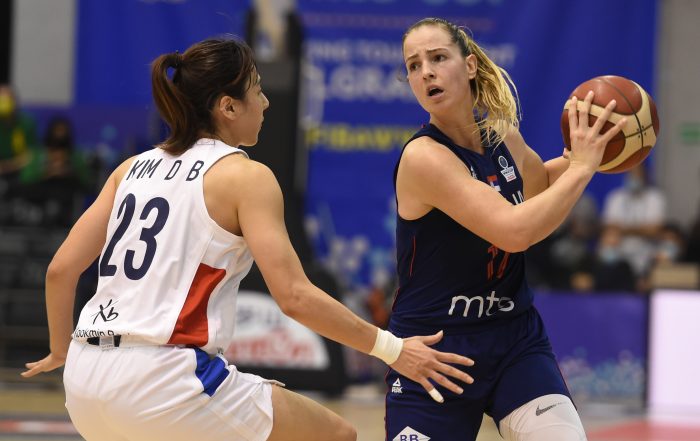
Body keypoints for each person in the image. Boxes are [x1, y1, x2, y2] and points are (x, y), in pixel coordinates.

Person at [20, 37, 475, 441]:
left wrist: (60, 350)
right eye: (257, 90)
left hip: (83, 379)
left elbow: (60, 270)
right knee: (336, 434)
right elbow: (294, 297)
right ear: (228, 107)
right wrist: (393, 349)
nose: (266, 102)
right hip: (163, 379)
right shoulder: (244, 176)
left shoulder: (129, 168)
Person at [387, 18, 627, 441]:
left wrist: (597, 151)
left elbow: (540, 189)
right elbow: (514, 232)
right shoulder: (424, 158)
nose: (426, 72)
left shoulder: (501, 136)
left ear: (470, 66)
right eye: (414, 65)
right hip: (435, 351)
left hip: (514, 337)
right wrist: (583, 168)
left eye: (438, 58)